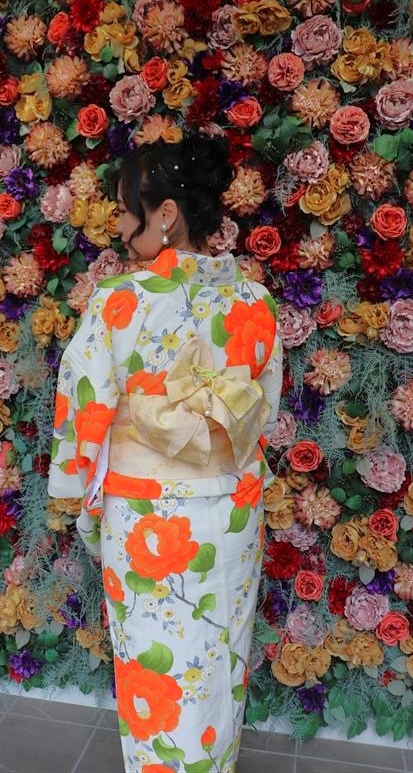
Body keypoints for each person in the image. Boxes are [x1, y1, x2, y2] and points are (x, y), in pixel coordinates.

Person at [48, 132, 283, 773]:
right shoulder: (255, 302)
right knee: (219, 658)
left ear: (166, 214)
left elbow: (85, 407)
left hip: (148, 520)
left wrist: (80, 496)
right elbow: (263, 408)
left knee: (155, 668)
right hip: (232, 510)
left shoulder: (118, 302)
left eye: (128, 212)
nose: (122, 228)